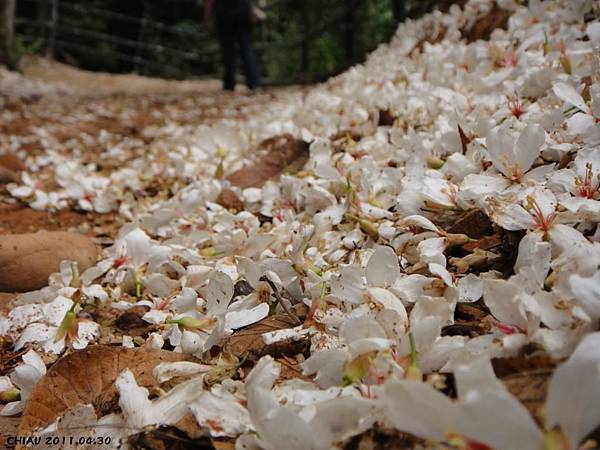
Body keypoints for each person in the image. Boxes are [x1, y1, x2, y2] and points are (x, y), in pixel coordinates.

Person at [205, 0, 261, 92]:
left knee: (228, 50)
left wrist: (207, 17)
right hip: (242, 9)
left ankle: (229, 85)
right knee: (246, 48)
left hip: (223, 11)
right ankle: (253, 83)